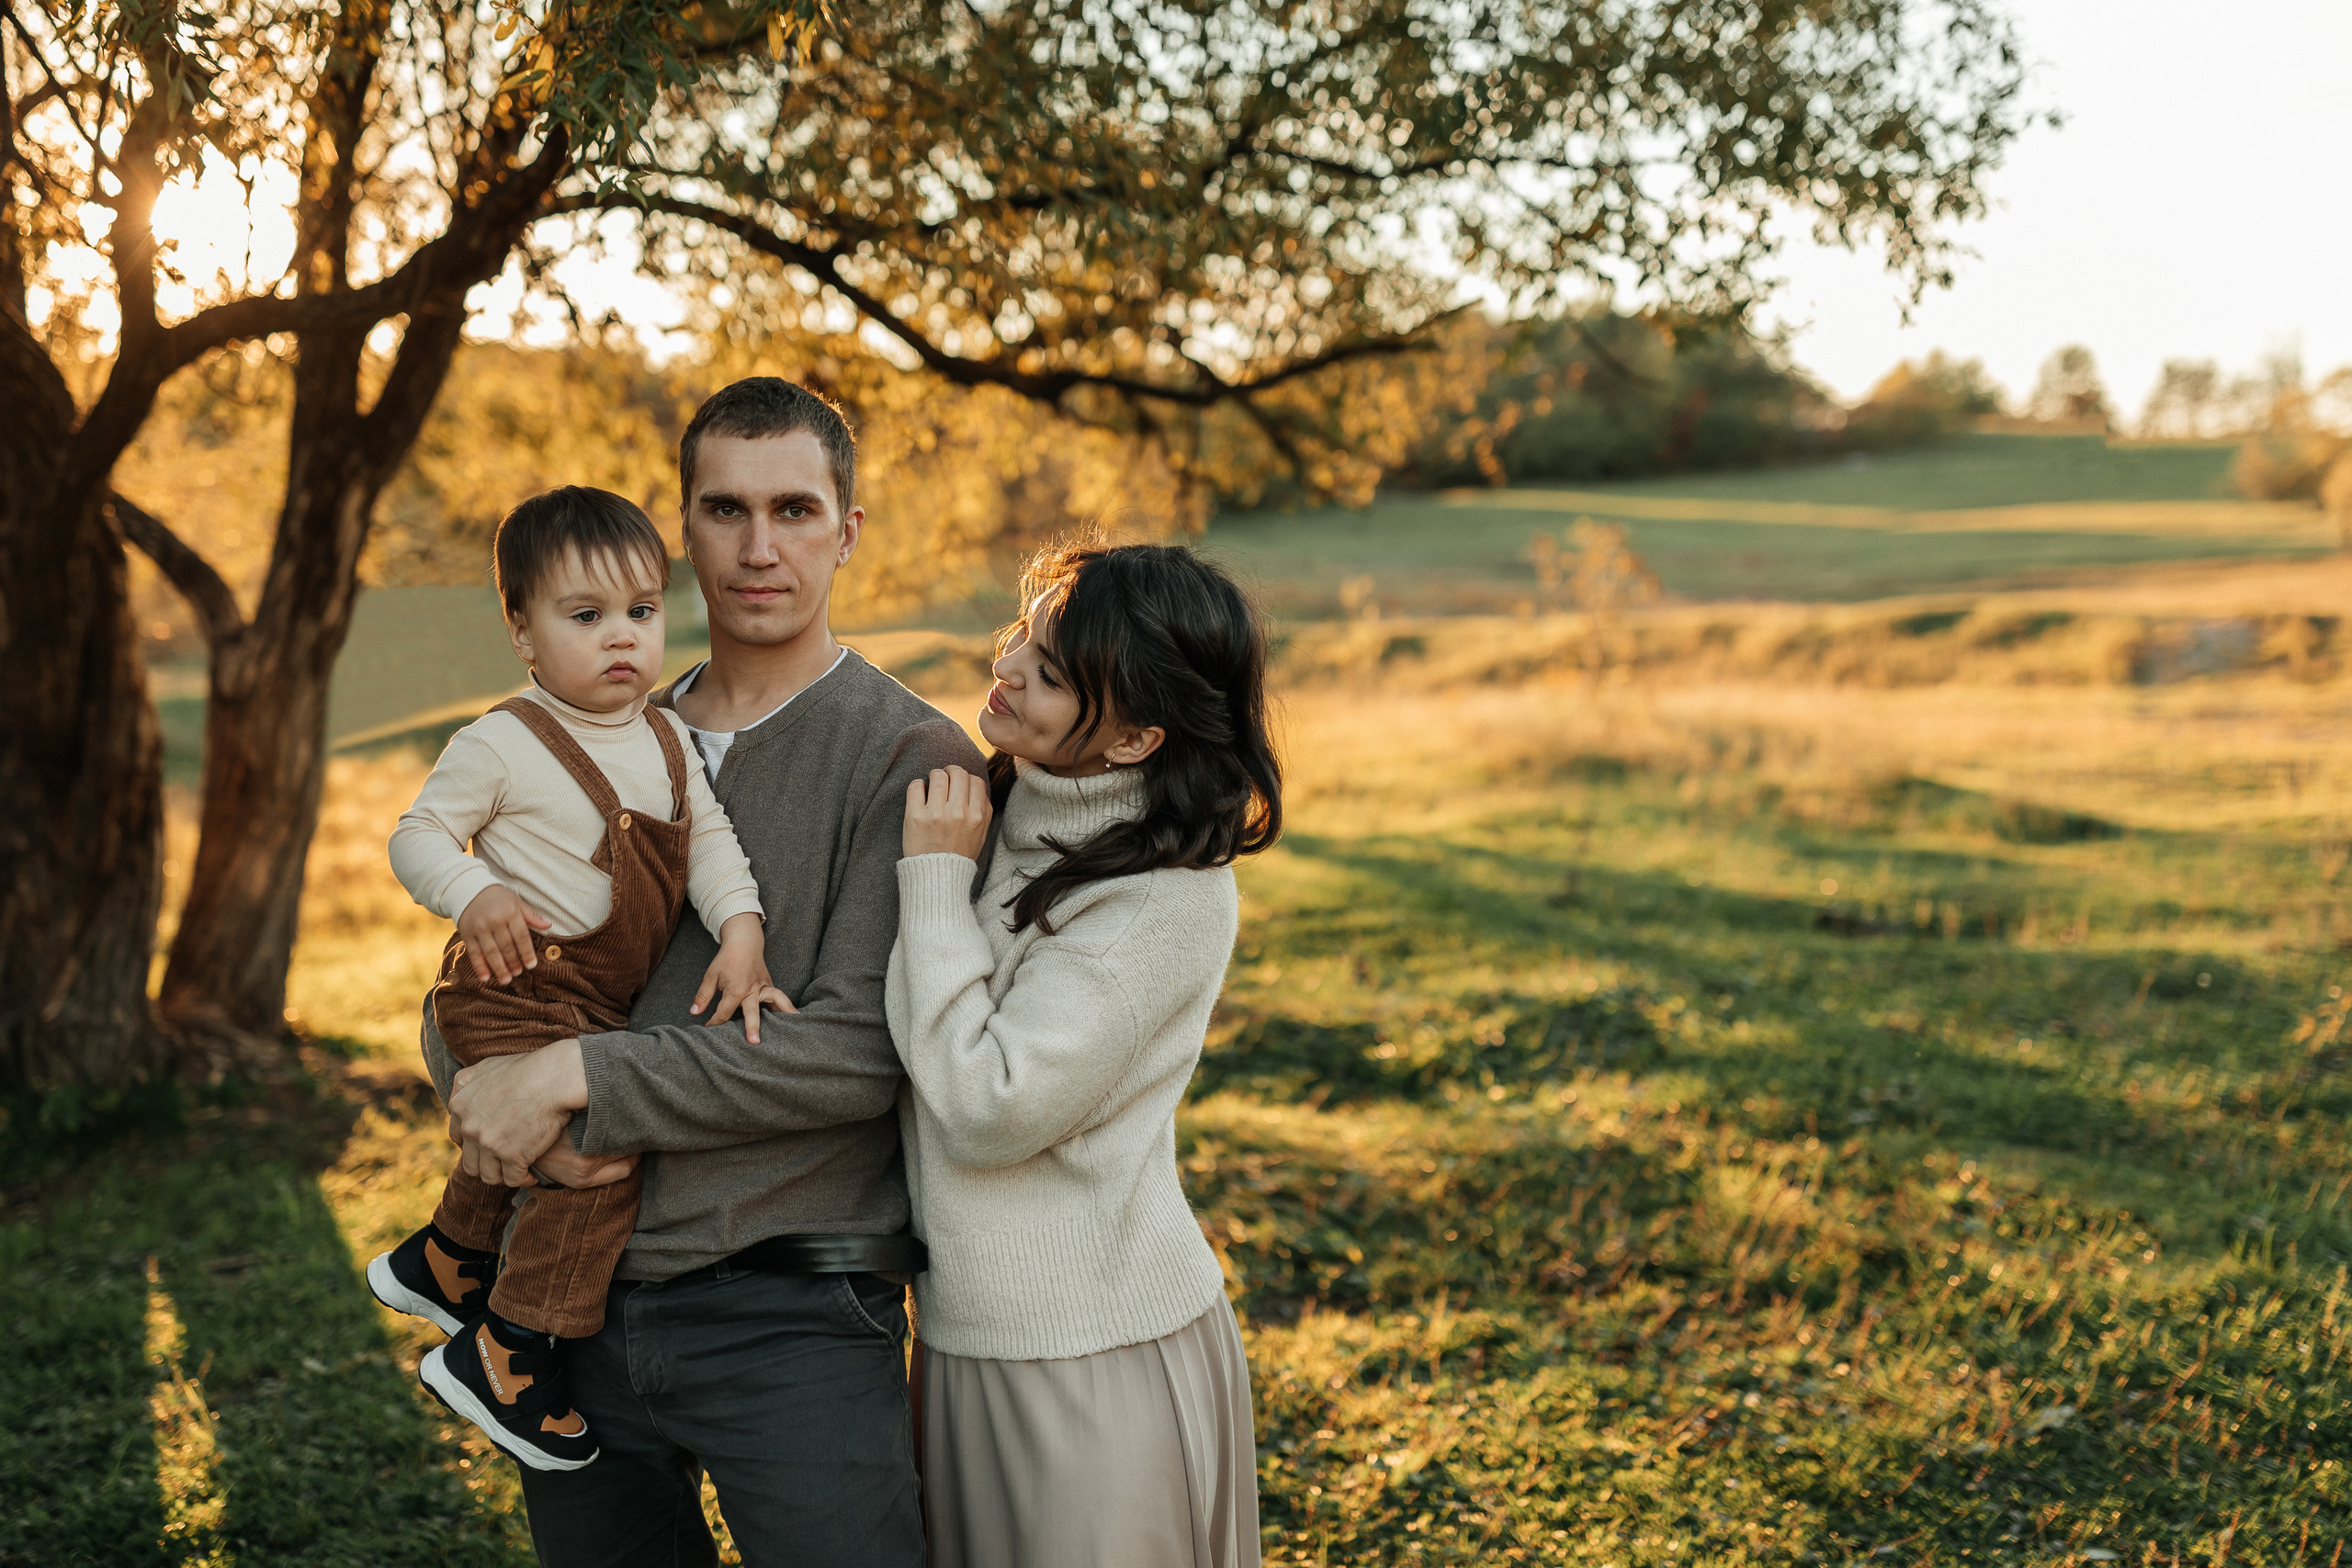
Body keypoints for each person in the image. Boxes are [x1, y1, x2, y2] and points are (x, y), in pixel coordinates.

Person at [425, 378, 981, 1567]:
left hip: (788, 1311)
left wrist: (576, 1074)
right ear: (683, 526)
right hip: (569, 1311)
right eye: (726, 510)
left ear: (848, 527)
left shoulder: (910, 753)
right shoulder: (588, 729)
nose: (760, 545)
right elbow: (489, 968)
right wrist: (492, 1089)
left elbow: (856, 1048)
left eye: (794, 508)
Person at [371, 486, 786, 1472]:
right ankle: (509, 1350)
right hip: (512, 985)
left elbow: (712, 844)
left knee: (563, 1130)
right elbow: (417, 834)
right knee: (599, 1163)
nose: (622, 642)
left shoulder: (668, 740)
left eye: (642, 614)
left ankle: (446, 1258)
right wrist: (471, 893)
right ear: (522, 629)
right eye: (585, 617)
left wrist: (740, 929)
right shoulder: (504, 740)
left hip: (593, 1004)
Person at [889, 541, 1280, 1567]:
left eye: (1052, 672)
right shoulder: (1011, 800)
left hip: (1084, 1357)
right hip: (972, 1333)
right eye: (1026, 631)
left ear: (1137, 736)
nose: (1008, 664)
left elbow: (987, 1107)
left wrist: (931, 884)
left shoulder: (1165, 900)